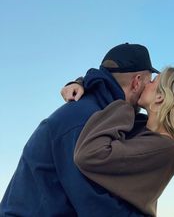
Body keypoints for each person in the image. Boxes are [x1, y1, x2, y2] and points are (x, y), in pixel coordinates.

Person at [0, 43, 159, 217]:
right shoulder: (83, 120)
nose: (150, 87)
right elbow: (95, 205)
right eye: (149, 81)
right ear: (136, 82)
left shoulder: (104, 114)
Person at [63, 67, 174, 217]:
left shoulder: (165, 148)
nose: (146, 84)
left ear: (160, 97)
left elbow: (89, 154)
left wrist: (125, 104)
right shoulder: (142, 127)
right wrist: (80, 84)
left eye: (153, 82)